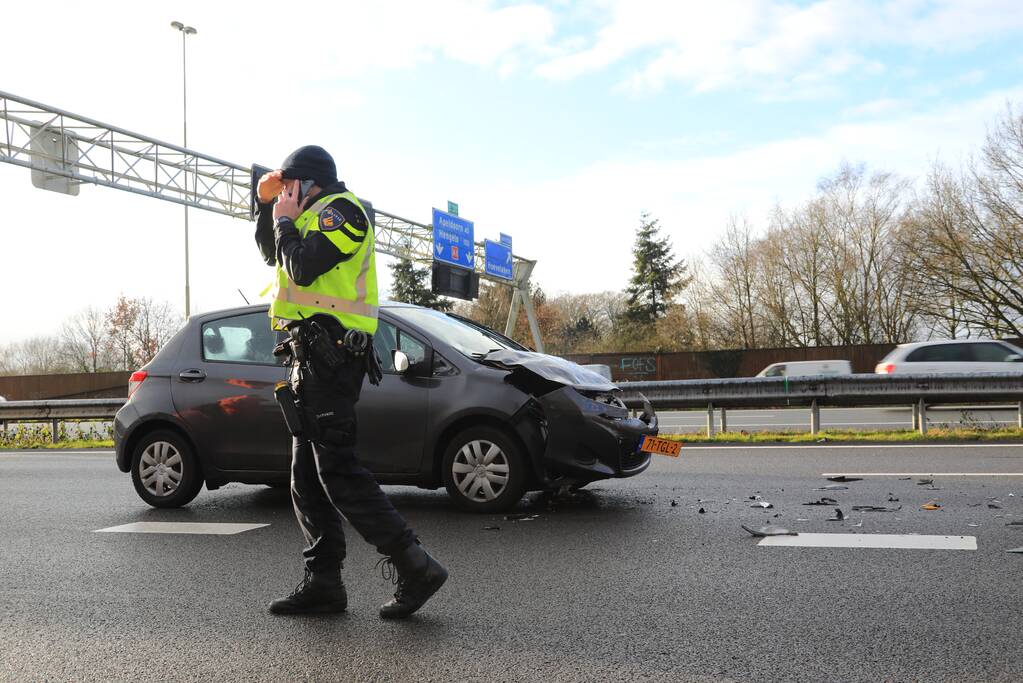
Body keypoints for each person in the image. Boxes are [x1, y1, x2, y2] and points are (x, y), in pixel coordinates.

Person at [254, 145, 447, 618]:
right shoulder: (306, 216)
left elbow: (302, 265)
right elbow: (271, 255)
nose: (286, 194)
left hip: (333, 358)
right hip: (307, 358)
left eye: (288, 186)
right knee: (305, 478)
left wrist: (283, 219)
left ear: (306, 182)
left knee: (337, 470)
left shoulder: (345, 212)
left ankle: (414, 564)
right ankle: (324, 584)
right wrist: (266, 209)